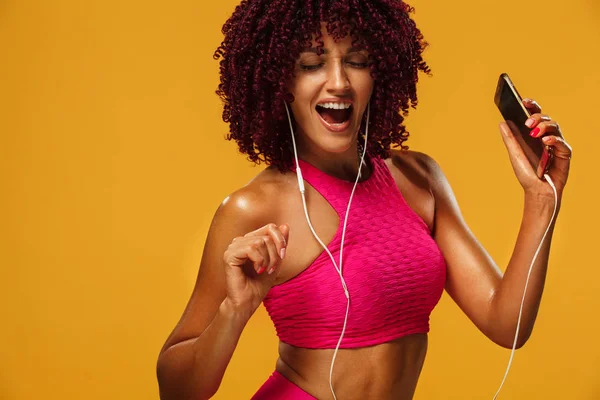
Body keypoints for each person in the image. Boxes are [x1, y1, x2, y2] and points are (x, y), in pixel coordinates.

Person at [156, 1, 573, 399]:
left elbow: (507, 324)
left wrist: (541, 201)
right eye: (310, 64)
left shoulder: (420, 179)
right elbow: (176, 390)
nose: (338, 81)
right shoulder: (253, 208)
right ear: (280, 81)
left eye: (356, 61)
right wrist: (233, 310)